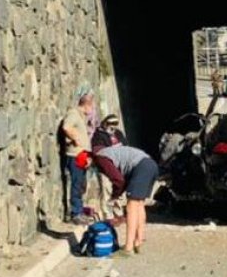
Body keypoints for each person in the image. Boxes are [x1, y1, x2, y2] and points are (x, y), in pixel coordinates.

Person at [92, 145, 159, 255]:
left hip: (141, 167)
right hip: (151, 165)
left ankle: (128, 248)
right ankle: (138, 242)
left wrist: (113, 197)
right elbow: (124, 180)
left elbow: (118, 180)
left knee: (131, 206)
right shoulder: (113, 153)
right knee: (139, 204)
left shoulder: (100, 157)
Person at [60, 93, 96, 224]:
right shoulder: (73, 114)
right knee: (76, 184)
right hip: (75, 155)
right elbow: (66, 127)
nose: (92, 111)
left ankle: (79, 210)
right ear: (86, 105)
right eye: (92, 107)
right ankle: (76, 213)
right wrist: (76, 139)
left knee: (80, 184)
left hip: (81, 155)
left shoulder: (80, 117)